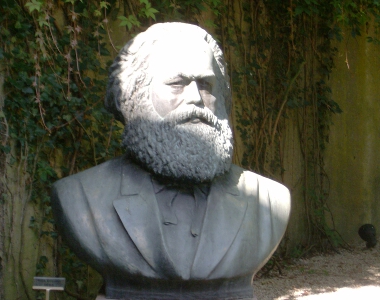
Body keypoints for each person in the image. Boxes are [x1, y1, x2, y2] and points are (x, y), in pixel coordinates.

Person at [51, 22, 291, 300]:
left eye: (206, 84)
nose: (195, 99)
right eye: (176, 83)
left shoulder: (270, 201)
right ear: (133, 95)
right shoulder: (79, 197)